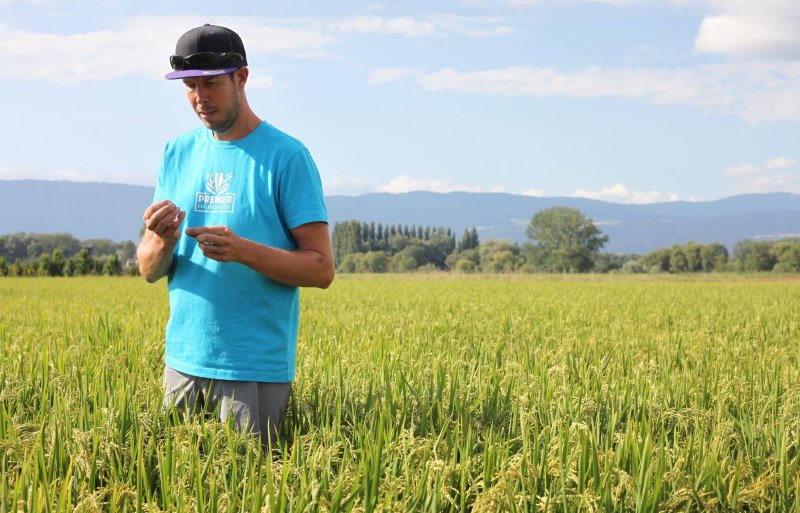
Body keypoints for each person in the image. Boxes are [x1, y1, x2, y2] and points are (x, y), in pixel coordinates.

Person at [137, 24, 334, 448]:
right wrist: (162, 239)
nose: (199, 97)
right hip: (182, 362)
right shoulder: (176, 152)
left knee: (247, 489)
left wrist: (242, 251)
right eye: (190, 86)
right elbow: (148, 269)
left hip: (252, 368)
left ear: (241, 77)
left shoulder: (288, 157)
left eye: (210, 84)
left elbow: (321, 269)